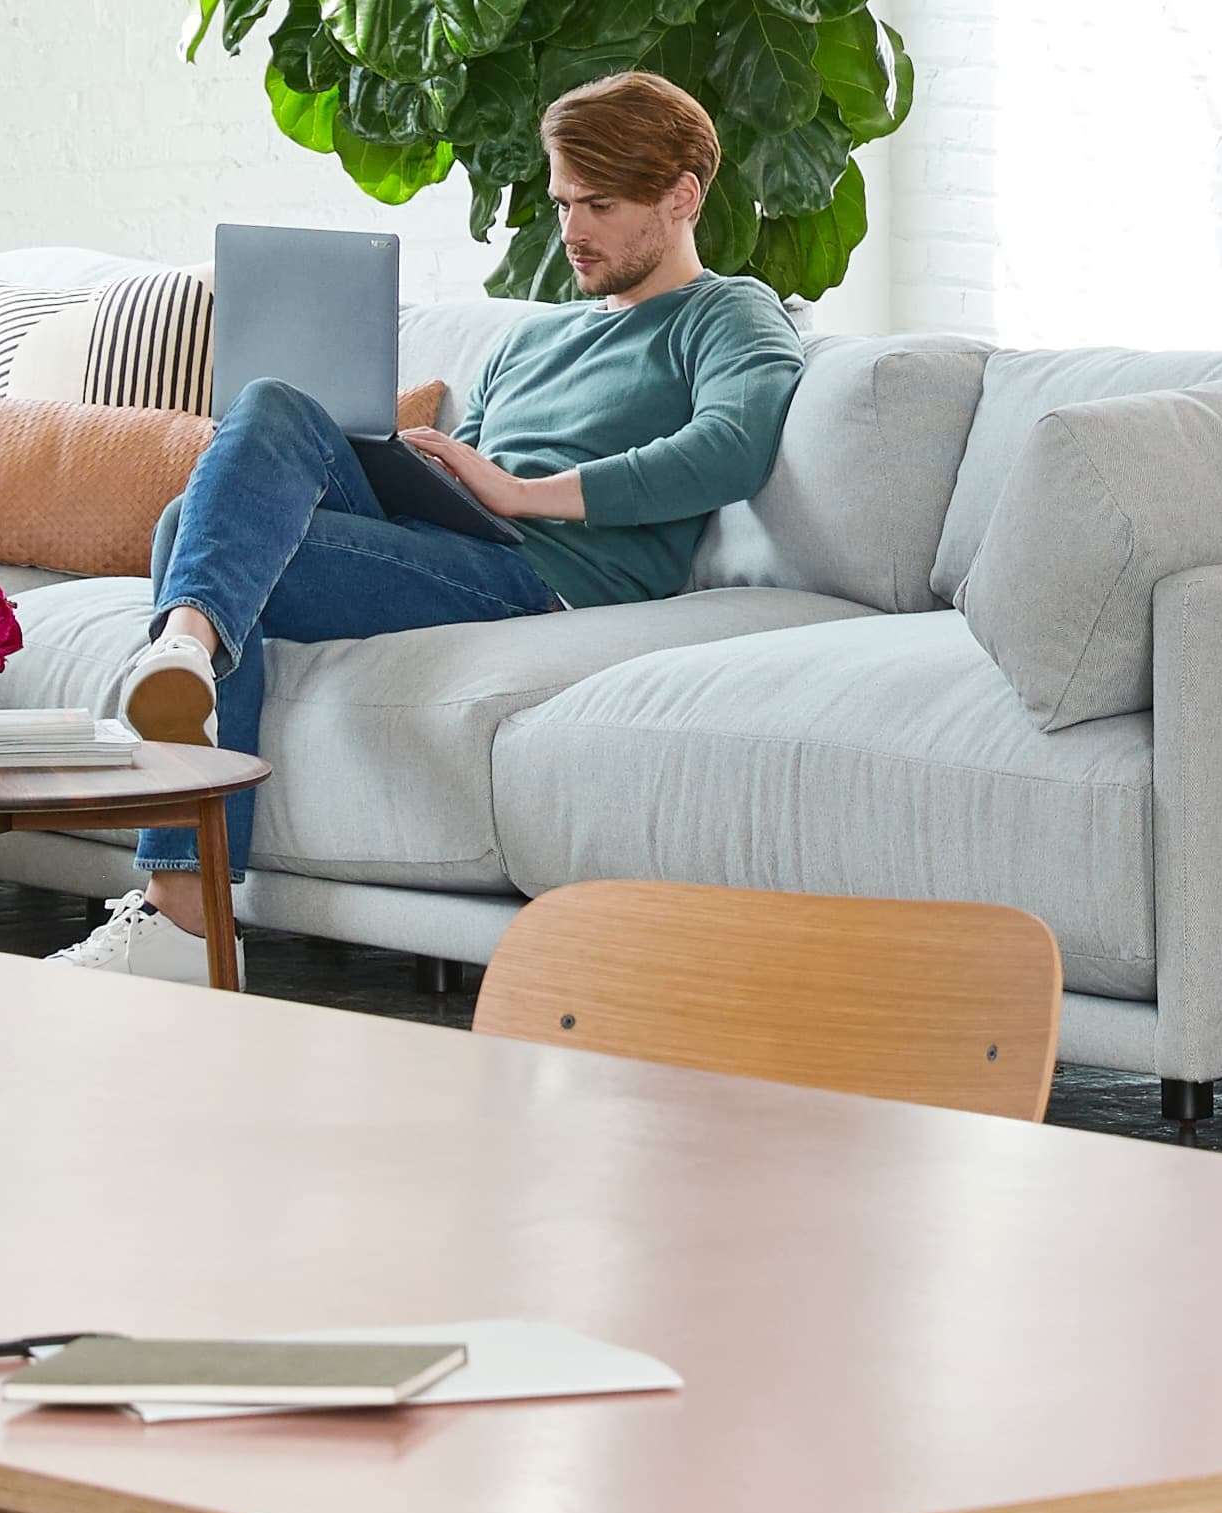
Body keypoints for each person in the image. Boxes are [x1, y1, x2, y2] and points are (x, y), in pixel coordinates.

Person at [102, 71, 800, 961]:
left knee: (186, 540)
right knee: (270, 407)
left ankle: (181, 912)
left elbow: (732, 445)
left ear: (682, 198)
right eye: (562, 203)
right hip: (460, 542)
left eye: (600, 205)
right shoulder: (533, 336)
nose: (573, 230)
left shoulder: (725, 312)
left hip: (543, 580)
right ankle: (184, 657)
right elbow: (469, 481)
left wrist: (520, 493)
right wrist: (428, 469)